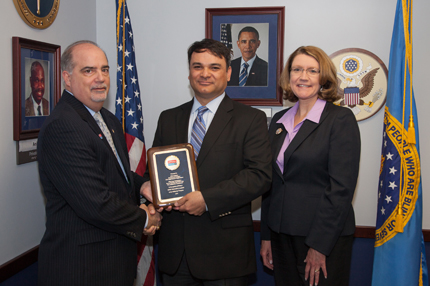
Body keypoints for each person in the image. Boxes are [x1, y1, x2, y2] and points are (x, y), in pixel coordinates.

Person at [143, 38, 272, 285]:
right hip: (175, 253)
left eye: (214, 67)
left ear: (229, 72)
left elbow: (260, 175)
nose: (205, 74)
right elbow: (156, 174)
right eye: (197, 66)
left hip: (225, 256)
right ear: (189, 72)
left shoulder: (251, 119)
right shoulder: (168, 118)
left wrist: (207, 200)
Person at [37, 40, 162, 286]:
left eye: (104, 70)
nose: (100, 78)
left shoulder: (107, 120)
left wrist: (143, 186)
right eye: (89, 71)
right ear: (67, 78)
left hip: (113, 262)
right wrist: (145, 219)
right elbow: (95, 201)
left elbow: (114, 174)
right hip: (82, 268)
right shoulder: (63, 126)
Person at [260, 46, 361, 286]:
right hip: (281, 235)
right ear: (288, 75)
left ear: (323, 78)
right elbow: (270, 183)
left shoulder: (340, 120)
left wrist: (319, 245)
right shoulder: (278, 120)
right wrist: (266, 236)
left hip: (322, 238)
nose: (303, 76)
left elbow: (341, 189)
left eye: (312, 70)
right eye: (297, 69)